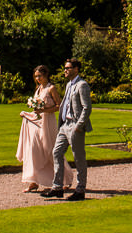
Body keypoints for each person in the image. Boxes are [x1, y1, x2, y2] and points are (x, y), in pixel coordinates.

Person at [16, 65, 73, 193]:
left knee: (52, 150)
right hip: (38, 123)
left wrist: (44, 110)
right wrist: (28, 113)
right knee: (33, 150)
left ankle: (66, 179)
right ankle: (33, 181)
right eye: (36, 76)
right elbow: (36, 109)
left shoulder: (51, 88)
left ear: (46, 75)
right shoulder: (38, 89)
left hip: (48, 122)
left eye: (39, 76)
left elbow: (59, 106)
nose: (37, 78)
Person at [42, 58, 91, 201]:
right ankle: (57, 187)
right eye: (65, 68)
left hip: (75, 126)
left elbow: (87, 108)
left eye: (68, 68)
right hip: (64, 125)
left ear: (76, 69)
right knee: (56, 152)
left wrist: (79, 125)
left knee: (78, 157)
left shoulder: (82, 85)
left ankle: (80, 190)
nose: (65, 70)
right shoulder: (69, 84)